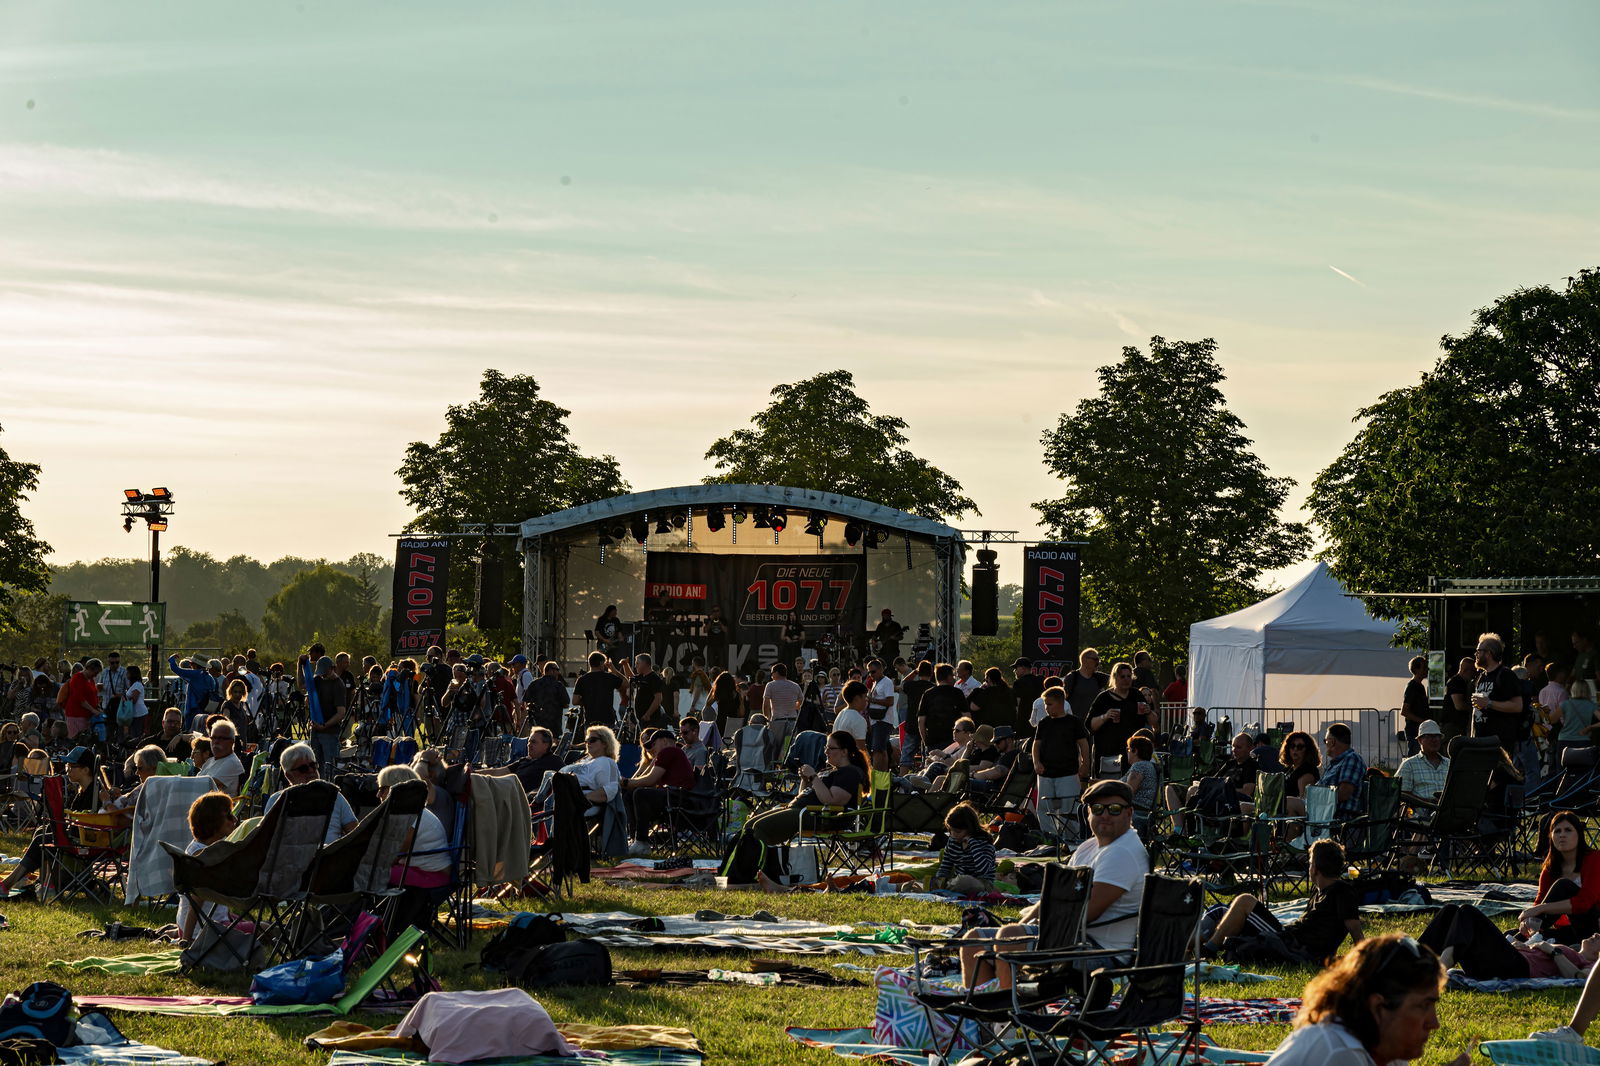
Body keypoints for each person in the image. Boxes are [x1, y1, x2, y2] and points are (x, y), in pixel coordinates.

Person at [960, 779, 1148, 989]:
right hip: (1069, 938)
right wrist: (1028, 922)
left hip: (1102, 951)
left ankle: (1008, 1016)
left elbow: (1087, 912)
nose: (1104, 815)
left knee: (1010, 937)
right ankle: (982, 1014)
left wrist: (1030, 929)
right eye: (1097, 809)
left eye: (1114, 809)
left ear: (1129, 813)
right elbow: (1055, 894)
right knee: (973, 940)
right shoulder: (1090, 846)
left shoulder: (1123, 852)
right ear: (1088, 813)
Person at [1263, 934, 1462, 1066]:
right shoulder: (1338, 1051)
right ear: (1377, 1007)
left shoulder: (1388, 1050)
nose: (1434, 1023)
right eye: (1423, 1006)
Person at [1201, 839, 1363, 964]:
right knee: (1223, 911)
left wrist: (1363, 961)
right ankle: (1196, 947)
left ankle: (1207, 951)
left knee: (1245, 901)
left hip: (1293, 946)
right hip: (1290, 939)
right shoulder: (1320, 890)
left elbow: (1356, 931)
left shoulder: (1342, 891)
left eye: (1310, 863)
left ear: (1315, 868)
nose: (1309, 867)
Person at [740, 730, 867, 882]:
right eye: (825, 748)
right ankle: (742, 869)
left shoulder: (849, 773)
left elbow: (832, 801)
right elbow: (804, 795)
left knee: (759, 828)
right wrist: (806, 780)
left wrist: (814, 776)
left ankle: (760, 873)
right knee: (749, 825)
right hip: (802, 810)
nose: (825, 751)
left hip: (820, 817)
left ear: (844, 752)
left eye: (830, 748)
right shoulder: (830, 771)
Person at [0, 746, 97, 897]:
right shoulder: (83, 791)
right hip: (77, 836)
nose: (67, 770)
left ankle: (13, 883)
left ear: (86, 770)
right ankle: (43, 881)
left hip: (86, 841)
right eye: (67, 766)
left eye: (72, 767)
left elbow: (89, 823)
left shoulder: (95, 793)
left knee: (43, 837)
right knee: (42, 831)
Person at [1422, 905, 1600, 981]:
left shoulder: (1590, 964)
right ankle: (1411, 961)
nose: (1597, 934)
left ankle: (1440, 968)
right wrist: (1524, 945)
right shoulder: (1574, 951)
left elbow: (1579, 978)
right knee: (1451, 911)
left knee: (1468, 911)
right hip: (1507, 959)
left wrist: (1553, 951)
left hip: (1516, 968)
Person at [1520, 810, 1600, 944]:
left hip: (1595, 929)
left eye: (1568, 830)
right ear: (1550, 836)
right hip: (1572, 931)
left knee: (1563, 885)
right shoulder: (1550, 867)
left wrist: (1540, 909)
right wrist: (1528, 920)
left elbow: (1584, 903)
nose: (1562, 835)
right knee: (1510, 934)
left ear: (1579, 835)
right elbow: (1541, 899)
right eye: (1557, 831)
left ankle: (1522, 941)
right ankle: (1521, 940)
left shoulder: (1595, 859)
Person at [176, 791, 246, 942]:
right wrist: (186, 941)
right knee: (267, 929)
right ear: (212, 821)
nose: (234, 820)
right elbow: (197, 900)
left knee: (255, 924)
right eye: (228, 815)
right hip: (207, 929)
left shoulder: (196, 848)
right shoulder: (205, 855)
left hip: (195, 925)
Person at [266, 743, 358, 842]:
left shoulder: (333, 795)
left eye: (313, 765)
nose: (311, 771)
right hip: (292, 856)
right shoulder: (278, 800)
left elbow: (354, 832)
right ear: (289, 775)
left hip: (328, 855)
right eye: (303, 769)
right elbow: (266, 839)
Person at [1034, 686, 1091, 845]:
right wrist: (1036, 762)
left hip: (1068, 772)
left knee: (1069, 810)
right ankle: (1050, 840)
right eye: (1045, 704)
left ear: (1060, 703)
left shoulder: (1073, 722)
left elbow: (1083, 744)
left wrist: (1085, 764)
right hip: (1046, 773)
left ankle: (1071, 841)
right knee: (1044, 809)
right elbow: (1036, 745)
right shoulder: (1044, 723)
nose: (1046, 707)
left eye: (1049, 704)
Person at [622, 728, 694, 851]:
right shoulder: (673, 753)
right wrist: (629, 784)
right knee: (631, 793)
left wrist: (626, 782)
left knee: (640, 793)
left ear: (665, 741)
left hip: (678, 798)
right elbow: (649, 780)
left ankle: (641, 841)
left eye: (654, 744)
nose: (651, 749)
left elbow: (650, 780)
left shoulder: (669, 751)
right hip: (678, 797)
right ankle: (636, 839)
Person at [1086, 661, 1152, 772]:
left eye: (1129, 676)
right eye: (1122, 676)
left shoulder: (1136, 695)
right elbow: (1090, 725)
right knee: (1110, 786)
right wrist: (1105, 716)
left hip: (1133, 753)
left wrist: (1149, 711)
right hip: (1109, 753)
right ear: (1115, 677)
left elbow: (1154, 722)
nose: (1126, 679)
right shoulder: (1104, 698)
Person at [929, 802, 996, 894]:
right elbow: (945, 866)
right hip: (956, 881)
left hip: (982, 883)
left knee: (963, 881)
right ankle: (940, 888)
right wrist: (939, 880)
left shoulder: (984, 842)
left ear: (970, 828)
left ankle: (945, 889)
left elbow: (984, 870)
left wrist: (973, 844)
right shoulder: (953, 840)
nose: (953, 834)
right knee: (933, 881)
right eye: (950, 830)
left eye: (958, 831)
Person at [561, 725, 622, 817]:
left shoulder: (606, 762)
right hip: (559, 793)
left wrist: (581, 799)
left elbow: (609, 790)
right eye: (586, 741)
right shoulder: (584, 760)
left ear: (605, 743)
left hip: (574, 802)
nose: (588, 743)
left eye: (592, 740)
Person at [481, 727, 564, 793]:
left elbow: (565, 780)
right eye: (529, 742)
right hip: (506, 789)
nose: (529, 745)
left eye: (533, 742)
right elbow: (498, 772)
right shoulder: (525, 760)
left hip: (521, 798)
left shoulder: (554, 761)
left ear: (546, 745)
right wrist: (474, 772)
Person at [307, 655, 348, 779]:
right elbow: (303, 683)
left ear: (332, 669)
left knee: (329, 767)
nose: (323, 676)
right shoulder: (318, 680)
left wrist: (324, 726)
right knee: (314, 765)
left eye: (325, 673)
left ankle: (329, 790)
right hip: (315, 730)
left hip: (330, 732)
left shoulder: (338, 684)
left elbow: (341, 713)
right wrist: (300, 665)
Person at [1397, 721, 1450, 810]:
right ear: (1420, 740)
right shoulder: (1409, 765)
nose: (1434, 740)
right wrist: (1427, 802)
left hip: (1448, 813)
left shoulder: (1449, 764)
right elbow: (1401, 794)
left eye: (1437, 736)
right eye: (1429, 736)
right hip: (1420, 817)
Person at [917, 663, 969, 754]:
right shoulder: (957, 693)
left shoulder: (928, 694)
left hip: (933, 739)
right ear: (948, 677)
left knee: (933, 766)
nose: (954, 679)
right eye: (952, 676)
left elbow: (921, 721)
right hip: (954, 740)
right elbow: (967, 716)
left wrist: (925, 741)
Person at [1321, 723, 1367, 820]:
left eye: (1325, 741)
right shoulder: (1334, 764)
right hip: (1324, 812)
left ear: (1332, 742)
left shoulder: (1352, 759)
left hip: (1338, 817)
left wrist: (1316, 798)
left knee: (1290, 805)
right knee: (1290, 805)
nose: (1325, 744)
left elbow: (1344, 794)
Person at [573, 652, 625, 731]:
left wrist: (587, 700)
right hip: (607, 720)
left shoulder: (582, 679)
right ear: (601, 663)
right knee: (607, 742)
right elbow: (627, 684)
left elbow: (575, 701)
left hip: (590, 720)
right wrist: (614, 670)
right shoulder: (609, 677)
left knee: (591, 742)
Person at [1122, 733, 1160, 831]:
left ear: (1135, 751)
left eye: (1128, 749)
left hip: (1136, 810)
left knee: (1087, 807)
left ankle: (1089, 841)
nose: (1127, 752)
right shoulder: (1147, 765)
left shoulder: (1139, 766)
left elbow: (1128, 791)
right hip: (1141, 810)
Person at [761, 662, 803, 751]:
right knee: (788, 749)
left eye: (772, 673)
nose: (771, 675)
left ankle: (775, 765)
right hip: (793, 721)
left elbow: (766, 704)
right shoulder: (795, 686)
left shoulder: (770, 685)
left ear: (776, 673)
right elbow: (802, 702)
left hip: (778, 721)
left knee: (775, 747)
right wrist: (795, 707)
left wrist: (768, 718)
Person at [1279, 731, 1321, 816]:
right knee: (1244, 807)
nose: (1295, 749)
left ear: (1307, 750)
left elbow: (1303, 802)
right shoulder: (1288, 770)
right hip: (1280, 810)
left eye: (1300, 747)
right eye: (1292, 746)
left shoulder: (1307, 771)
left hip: (1291, 815)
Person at [199, 720, 245, 796]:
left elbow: (207, 786)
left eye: (221, 738)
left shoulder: (232, 763)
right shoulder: (211, 760)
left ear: (231, 742)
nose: (216, 741)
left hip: (218, 806)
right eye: (213, 738)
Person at [1063, 648, 1109, 719]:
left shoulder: (1099, 677)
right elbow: (1063, 701)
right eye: (1095, 659)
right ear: (1085, 660)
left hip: (1093, 725)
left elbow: (1118, 679)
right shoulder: (1072, 677)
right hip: (1076, 725)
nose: (1098, 662)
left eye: (1098, 660)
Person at [1441, 656, 1475, 744]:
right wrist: (1476, 707)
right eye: (1472, 671)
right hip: (1453, 727)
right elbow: (1459, 705)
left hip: (1453, 725)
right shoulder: (1457, 682)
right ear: (1465, 670)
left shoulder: (1455, 681)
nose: (1474, 674)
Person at [1400, 655, 1431, 756]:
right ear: (1416, 669)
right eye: (1424, 667)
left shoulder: (1420, 686)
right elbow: (1404, 711)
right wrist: (1422, 721)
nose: (1427, 670)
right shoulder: (1412, 686)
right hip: (1414, 731)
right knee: (1414, 756)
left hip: (1419, 730)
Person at [62, 659, 99, 740]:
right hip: (76, 715)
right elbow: (78, 698)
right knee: (77, 739)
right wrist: (93, 710)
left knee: (86, 739)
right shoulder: (77, 678)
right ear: (88, 668)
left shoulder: (91, 679)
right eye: (95, 673)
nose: (95, 675)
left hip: (87, 716)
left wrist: (97, 707)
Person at [1011, 657, 1043, 740]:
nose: (1014, 671)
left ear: (1023, 668)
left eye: (1016, 668)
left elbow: (1017, 704)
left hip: (1024, 722)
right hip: (1040, 721)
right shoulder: (1041, 680)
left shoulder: (1018, 683)